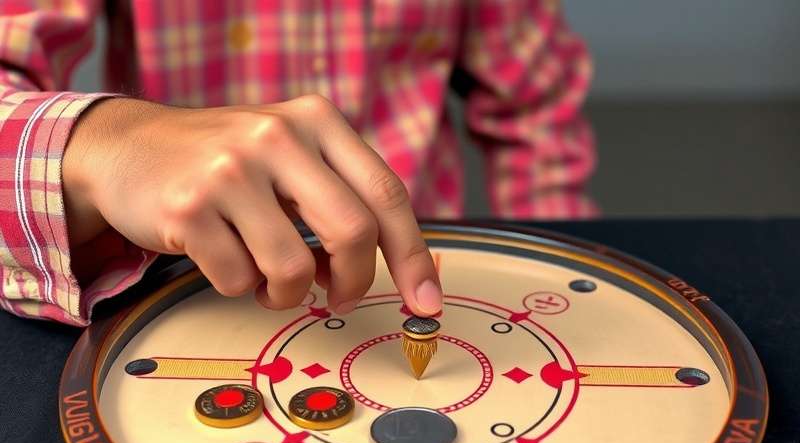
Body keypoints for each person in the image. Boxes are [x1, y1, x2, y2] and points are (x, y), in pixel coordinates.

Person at [0, 0, 596, 326]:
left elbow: (536, 106)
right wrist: (108, 142)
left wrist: (546, 270)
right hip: (193, 279)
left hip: (431, 265)